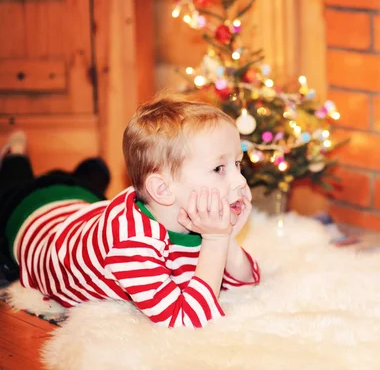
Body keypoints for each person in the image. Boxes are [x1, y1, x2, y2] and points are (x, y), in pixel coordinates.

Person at [0, 94, 260, 328]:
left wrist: (227, 237)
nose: (240, 181)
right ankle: (15, 157)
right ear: (162, 189)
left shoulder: (181, 210)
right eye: (219, 169)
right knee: (15, 184)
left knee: (85, 183)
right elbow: (187, 320)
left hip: (82, 204)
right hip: (31, 217)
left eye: (237, 163)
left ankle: (87, 174)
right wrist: (215, 242)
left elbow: (247, 283)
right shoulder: (131, 246)